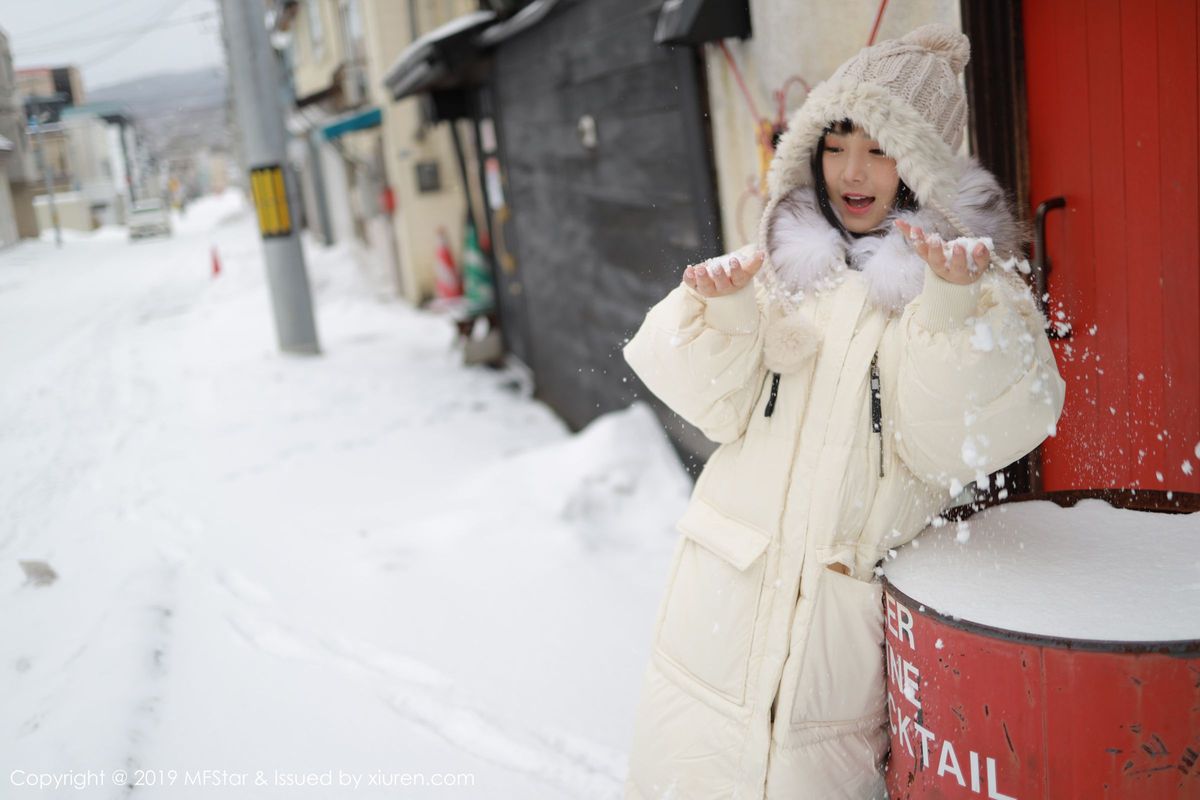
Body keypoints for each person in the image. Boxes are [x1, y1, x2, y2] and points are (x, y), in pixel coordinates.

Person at [621, 24, 1066, 800]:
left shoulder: (979, 288)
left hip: (830, 671)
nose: (851, 172)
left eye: (882, 147)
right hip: (712, 635)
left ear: (923, 163)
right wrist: (724, 320)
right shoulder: (781, 268)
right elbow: (702, 397)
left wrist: (952, 312)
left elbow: (949, 440)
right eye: (836, 143)